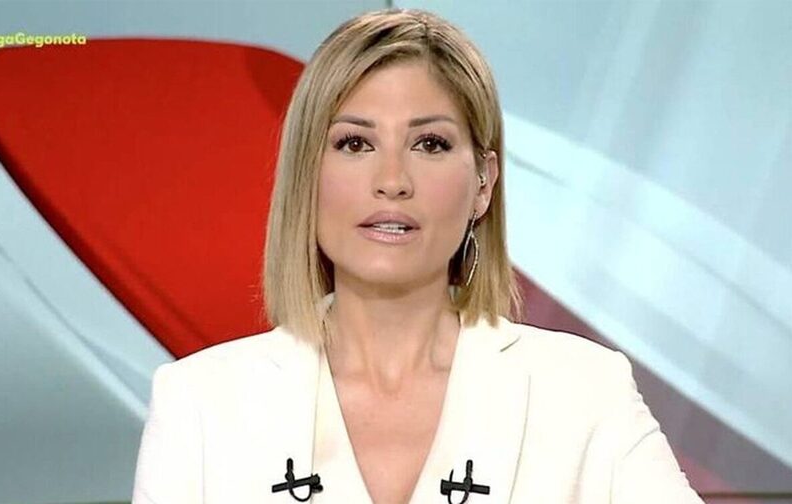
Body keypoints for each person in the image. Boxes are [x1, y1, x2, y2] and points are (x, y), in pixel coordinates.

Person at [132, 8, 704, 504]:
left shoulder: (583, 392)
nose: (392, 180)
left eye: (430, 144)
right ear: (307, 174)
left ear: (483, 183)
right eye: (355, 143)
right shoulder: (199, 404)